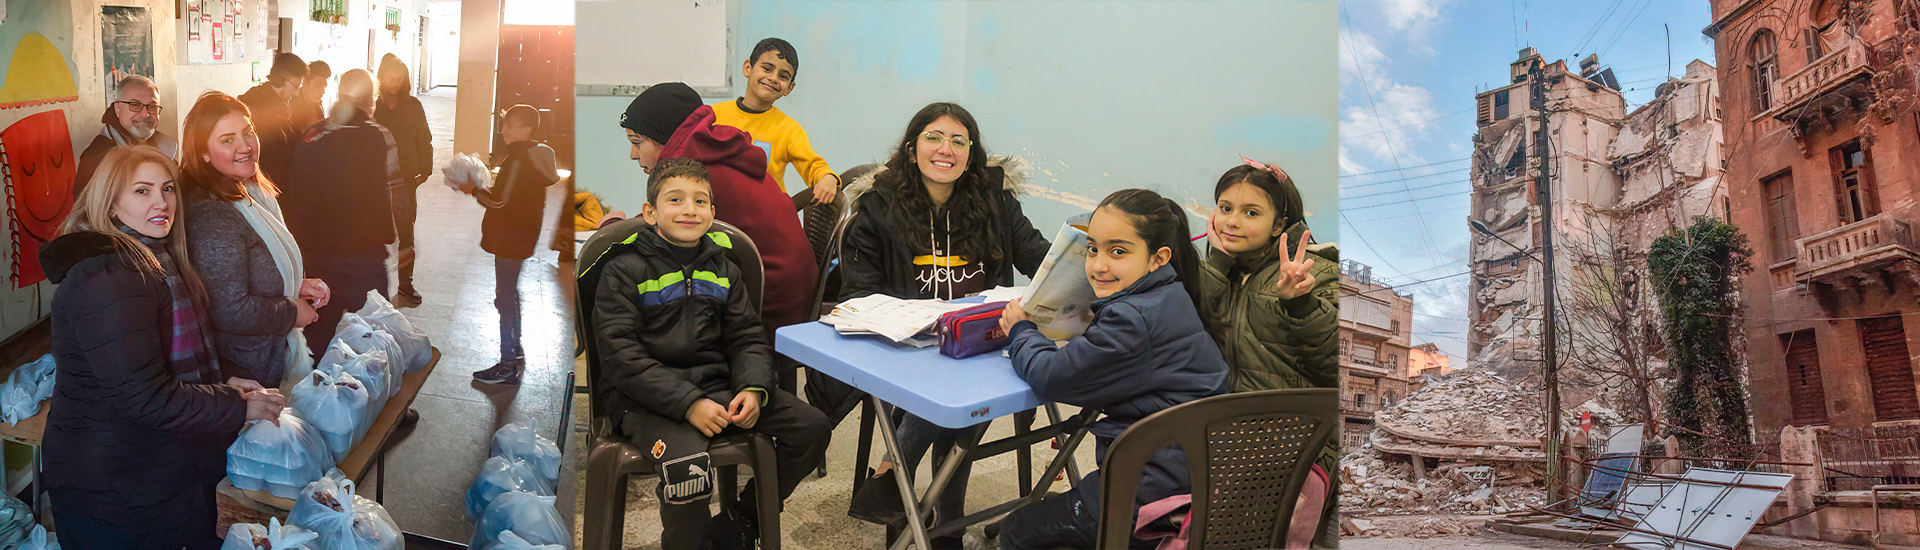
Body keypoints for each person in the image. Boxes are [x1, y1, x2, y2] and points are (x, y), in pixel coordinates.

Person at [41, 145, 286, 549]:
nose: (162, 202)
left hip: (151, 468)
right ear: (112, 205)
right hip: (115, 485)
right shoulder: (108, 277)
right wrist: (235, 404)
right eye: (142, 191)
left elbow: (159, 359)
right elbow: (145, 398)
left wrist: (221, 379)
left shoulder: (152, 258)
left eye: (168, 189)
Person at [586, 158, 830, 549]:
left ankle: (739, 520)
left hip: (717, 388)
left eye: (701, 201)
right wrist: (688, 403)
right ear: (650, 212)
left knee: (813, 428)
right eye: (675, 199)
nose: (689, 209)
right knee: (687, 472)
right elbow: (619, 358)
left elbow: (748, 338)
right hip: (645, 401)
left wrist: (753, 388)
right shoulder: (623, 270)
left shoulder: (724, 269)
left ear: (713, 213)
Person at [837, 102, 1050, 549]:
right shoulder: (878, 207)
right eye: (934, 137)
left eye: (959, 141)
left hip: (980, 340)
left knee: (965, 386)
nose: (946, 149)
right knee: (949, 392)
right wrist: (911, 325)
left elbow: (1037, 256)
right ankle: (946, 521)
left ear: (971, 153)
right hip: (908, 345)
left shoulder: (995, 200)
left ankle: (897, 473)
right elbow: (859, 293)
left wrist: (1083, 263)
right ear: (912, 148)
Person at [994, 188, 1229, 550]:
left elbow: (1050, 375)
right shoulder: (1168, 295)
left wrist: (1021, 330)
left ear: (1157, 258)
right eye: (1092, 249)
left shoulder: (1131, 318)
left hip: (1152, 494)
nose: (1099, 264)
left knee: (1018, 529)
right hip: (1188, 475)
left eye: (1117, 251)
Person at [1200, 159, 1340, 547]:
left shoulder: (1318, 273)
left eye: (1250, 213)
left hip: (1297, 443)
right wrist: (1217, 264)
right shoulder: (1214, 270)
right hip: (1224, 434)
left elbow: (1333, 370)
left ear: (1279, 224)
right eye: (1225, 208)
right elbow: (1191, 328)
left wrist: (1301, 304)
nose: (1231, 222)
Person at [619, 83, 818, 332]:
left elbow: (654, 234)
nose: (632, 154)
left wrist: (610, 228)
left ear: (664, 138)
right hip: (793, 295)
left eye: (637, 142)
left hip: (765, 309)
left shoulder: (692, 174)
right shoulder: (714, 151)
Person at [178, 92, 330, 388]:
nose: (245, 146)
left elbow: (248, 271)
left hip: (266, 358)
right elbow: (229, 311)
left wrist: (293, 282)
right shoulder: (212, 216)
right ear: (203, 152)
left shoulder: (246, 189)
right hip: (246, 373)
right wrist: (290, 310)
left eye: (248, 133)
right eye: (227, 140)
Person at [278, 69, 399, 356]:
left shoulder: (311, 134)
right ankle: (374, 394)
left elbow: (295, 190)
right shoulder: (378, 136)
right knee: (375, 332)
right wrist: (399, 240)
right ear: (372, 99)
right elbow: (395, 193)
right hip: (363, 254)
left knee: (318, 331)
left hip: (315, 253)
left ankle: (321, 392)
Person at [467, 105, 562, 385]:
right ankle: (515, 351)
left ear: (528, 130)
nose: (503, 130)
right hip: (523, 234)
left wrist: (472, 189)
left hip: (511, 236)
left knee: (505, 295)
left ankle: (507, 363)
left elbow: (499, 200)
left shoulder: (519, 159)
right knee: (509, 292)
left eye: (510, 125)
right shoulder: (533, 155)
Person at [708, 38, 840, 207]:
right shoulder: (714, 115)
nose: (772, 78)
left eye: (783, 76)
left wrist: (828, 178)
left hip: (765, 215)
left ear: (789, 88)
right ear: (748, 68)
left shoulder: (788, 129)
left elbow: (814, 166)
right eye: (767, 69)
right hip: (715, 214)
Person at [374, 54, 433, 307]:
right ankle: (375, 288)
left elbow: (424, 139)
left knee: (406, 236)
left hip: (406, 179)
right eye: (391, 78)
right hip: (376, 180)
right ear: (381, 78)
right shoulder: (373, 108)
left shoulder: (414, 106)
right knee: (376, 235)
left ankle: (406, 286)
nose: (395, 83)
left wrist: (425, 170)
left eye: (400, 78)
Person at [76, 75, 178, 196]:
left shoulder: (165, 149)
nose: (145, 114)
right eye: (135, 105)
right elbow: (90, 212)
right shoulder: (99, 158)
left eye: (152, 107)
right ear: (118, 109)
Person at [237, 53, 307, 181]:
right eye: (296, 86)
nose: (297, 93)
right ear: (280, 79)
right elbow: (276, 150)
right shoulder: (256, 104)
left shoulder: (281, 103)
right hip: (265, 178)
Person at [291, 60, 332, 131]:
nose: (323, 90)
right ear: (304, 82)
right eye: (318, 85)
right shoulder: (292, 106)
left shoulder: (317, 105)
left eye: (325, 86)